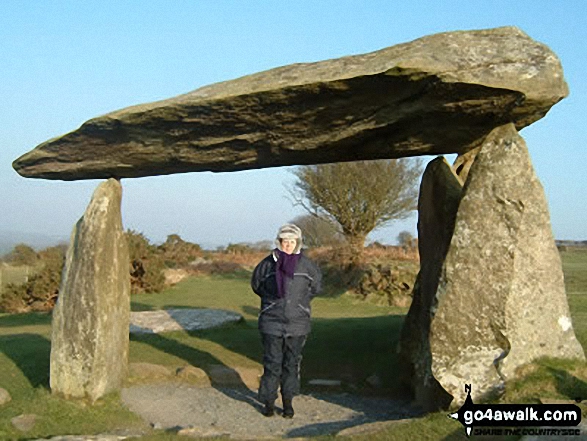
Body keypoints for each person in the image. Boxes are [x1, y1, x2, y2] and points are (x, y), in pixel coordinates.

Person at [251, 224, 322, 418]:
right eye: (285, 241)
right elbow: (257, 285)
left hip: (297, 325)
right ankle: (268, 402)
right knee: (272, 363)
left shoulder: (307, 266)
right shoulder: (266, 265)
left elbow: (315, 288)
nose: (288, 245)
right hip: (271, 323)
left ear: (297, 243)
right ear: (279, 242)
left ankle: (288, 402)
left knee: (291, 364)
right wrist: (272, 302)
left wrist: (298, 304)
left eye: (292, 242)